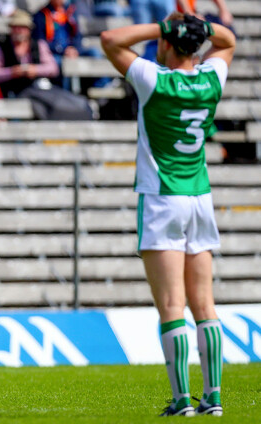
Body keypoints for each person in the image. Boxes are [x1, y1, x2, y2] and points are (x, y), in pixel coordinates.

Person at [101, 12, 235, 417]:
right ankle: (213, 397)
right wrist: (200, 27)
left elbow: (110, 38)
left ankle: (181, 401)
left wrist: (164, 26)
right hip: (200, 198)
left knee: (172, 305)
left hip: (162, 199)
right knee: (205, 304)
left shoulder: (155, 79)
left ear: (166, 43)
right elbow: (228, 41)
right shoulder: (211, 78)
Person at [0, 9, 93, 120]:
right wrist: (11, 72)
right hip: (13, 93)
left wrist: (35, 70)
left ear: (28, 30)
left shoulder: (38, 45)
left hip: (38, 91)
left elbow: (53, 68)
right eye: (15, 27)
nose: (18, 31)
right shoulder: (2, 48)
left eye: (22, 27)